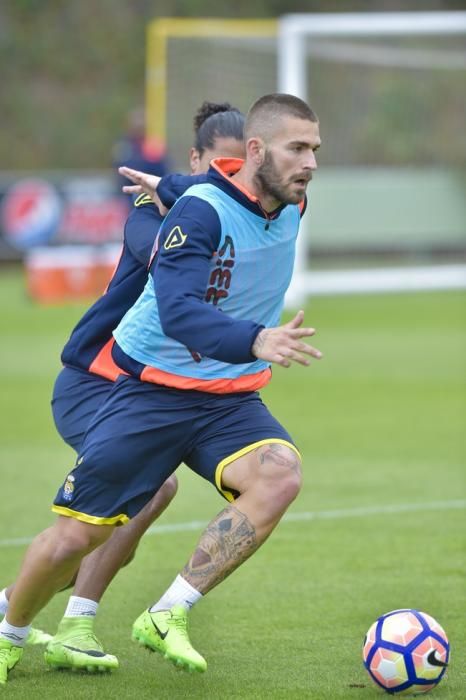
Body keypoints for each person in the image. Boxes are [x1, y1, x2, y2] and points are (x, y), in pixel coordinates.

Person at [0, 93, 322, 684]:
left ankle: (167, 612)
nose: (310, 162)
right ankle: (9, 631)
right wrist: (255, 339)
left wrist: (169, 183)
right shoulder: (196, 213)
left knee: (280, 473)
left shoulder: (291, 200)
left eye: (315, 150)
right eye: (297, 148)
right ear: (256, 151)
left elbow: (226, 186)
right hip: (151, 392)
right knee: (76, 537)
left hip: (227, 397)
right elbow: (177, 312)